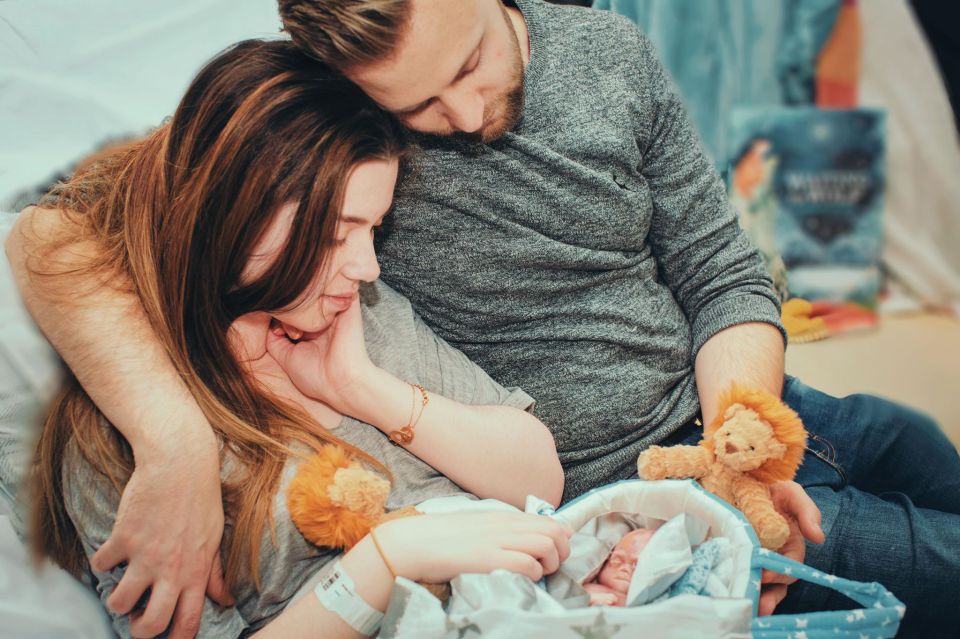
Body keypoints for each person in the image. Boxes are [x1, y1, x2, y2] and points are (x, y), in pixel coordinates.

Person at [7, 0, 959, 635]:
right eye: (417, 105)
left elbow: (722, 269)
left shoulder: (609, 56)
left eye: (468, 63)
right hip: (610, 489)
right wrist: (171, 438)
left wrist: (734, 445)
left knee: (920, 453)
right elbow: (55, 229)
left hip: (734, 413)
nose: (462, 113)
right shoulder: (319, 119)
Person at [19, 39, 572, 638]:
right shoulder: (111, 436)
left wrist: (361, 387)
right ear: (233, 211)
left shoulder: (354, 313)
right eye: (336, 235)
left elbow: (539, 481)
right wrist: (386, 562)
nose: (368, 267)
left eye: (373, 229)